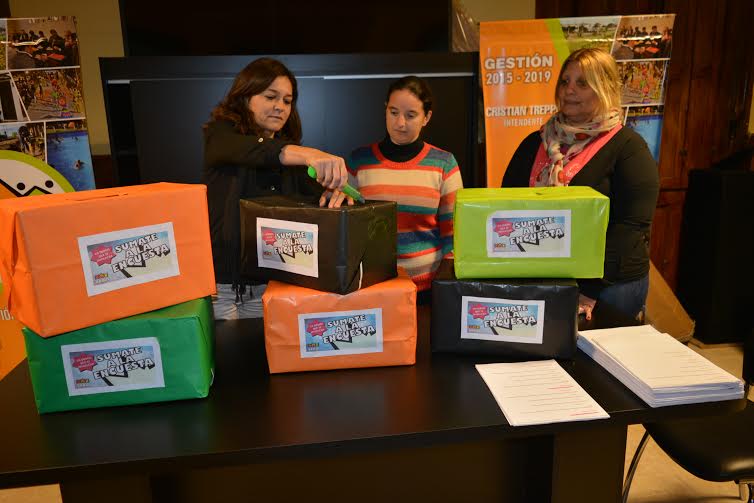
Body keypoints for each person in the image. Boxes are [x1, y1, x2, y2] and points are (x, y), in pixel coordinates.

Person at [502, 48, 659, 320]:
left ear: (605, 88)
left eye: (582, 83)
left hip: (609, 284)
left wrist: (590, 288)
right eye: (565, 81)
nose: (569, 90)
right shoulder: (534, 142)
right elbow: (506, 207)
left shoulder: (628, 148)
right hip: (546, 276)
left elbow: (630, 228)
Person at [203, 57, 349, 319]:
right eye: (271, 97)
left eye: (287, 100)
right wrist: (308, 154)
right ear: (246, 96)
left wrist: (333, 194)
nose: (280, 107)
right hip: (222, 289)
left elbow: (318, 203)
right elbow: (258, 151)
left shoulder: (292, 159)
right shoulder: (221, 135)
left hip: (273, 287)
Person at [335, 76, 463, 299]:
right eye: (393, 112)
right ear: (385, 109)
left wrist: (444, 285)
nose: (400, 123)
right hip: (372, 289)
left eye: (410, 115)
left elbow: (453, 235)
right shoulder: (359, 161)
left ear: (426, 117)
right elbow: (345, 228)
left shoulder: (444, 164)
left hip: (427, 291)